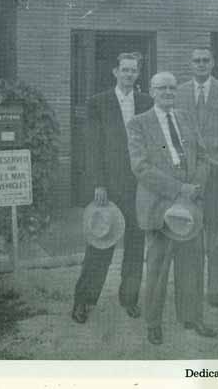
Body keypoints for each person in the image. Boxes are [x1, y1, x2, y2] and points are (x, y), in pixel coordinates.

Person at [127, 71, 215, 345]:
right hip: (159, 205)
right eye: (162, 88)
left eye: (172, 88)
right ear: (151, 92)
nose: (168, 93)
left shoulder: (186, 118)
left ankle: (192, 317)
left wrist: (195, 185)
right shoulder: (138, 124)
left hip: (190, 204)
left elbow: (203, 155)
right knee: (157, 268)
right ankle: (153, 323)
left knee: (192, 263)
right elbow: (141, 167)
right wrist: (178, 189)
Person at [71, 52, 152, 325]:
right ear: (115, 72)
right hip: (109, 187)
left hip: (139, 187)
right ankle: (83, 300)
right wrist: (98, 183)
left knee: (136, 246)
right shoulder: (98, 103)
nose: (129, 74)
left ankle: (129, 298)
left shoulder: (146, 102)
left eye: (134, 70)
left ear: (138, 74)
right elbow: (91, 147)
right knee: (100, 243)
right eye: (125, 70)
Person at [176, 46, 218, 307]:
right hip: (188, 171)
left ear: (212, 63)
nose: (201, 64)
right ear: (190, 64)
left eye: (206, 60)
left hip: (217, 169)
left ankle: (215, 287)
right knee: (188, 226)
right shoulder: (178, 92)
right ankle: (190, 286)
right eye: (197, 61)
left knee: (216, 229)